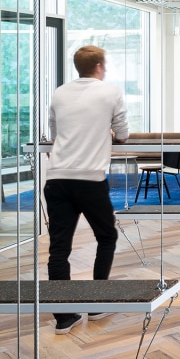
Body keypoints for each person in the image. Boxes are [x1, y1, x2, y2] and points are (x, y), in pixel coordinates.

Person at [44, 45, 129, 334]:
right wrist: (108, 132)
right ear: (99, 66)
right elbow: (124, 134)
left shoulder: (60, 92)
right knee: (107, 237)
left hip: (56, 179)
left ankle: (64, 317)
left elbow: (54, 136)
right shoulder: (111, 91)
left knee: (59, 249)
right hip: (91, 180)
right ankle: (96, 303)